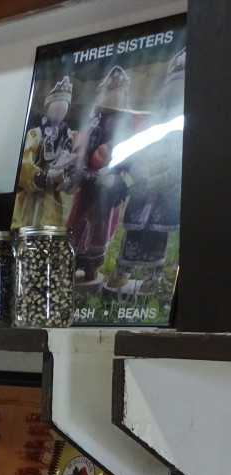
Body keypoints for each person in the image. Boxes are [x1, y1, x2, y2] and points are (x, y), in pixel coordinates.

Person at [113, 47, 185, 292]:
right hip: (143, 189)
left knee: (156, 236)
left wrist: (163, 177)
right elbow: (137, 149)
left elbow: (181, 165)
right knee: (132, 234)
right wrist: (139, 168)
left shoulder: (185, 128)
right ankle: (123, 271)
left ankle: (153, 277)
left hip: (163, 194)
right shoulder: (154, 122)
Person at [63, 66, 134, 285]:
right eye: (108, 96)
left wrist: (115, 174)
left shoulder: (124, 127)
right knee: (78, 224)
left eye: (117, 96)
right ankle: (73, 263)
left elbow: (128, 156)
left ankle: (92, 268)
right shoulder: (91, 126)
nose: (111, 101)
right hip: (88, 186)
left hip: (108, 189)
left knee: (100, 229)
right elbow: (79, 156)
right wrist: (87, 172)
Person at [12, 75, 77, 228]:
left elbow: (75, 166)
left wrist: (66, 180)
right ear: (47, 107)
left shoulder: (69, 137)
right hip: (31, 194)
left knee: (49, 225)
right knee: (28, 222)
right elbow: (25, 161)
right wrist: (42, 177)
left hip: (52, 196)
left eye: (64, 109)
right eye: (56, 108)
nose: (59, 113)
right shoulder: (36, 134)